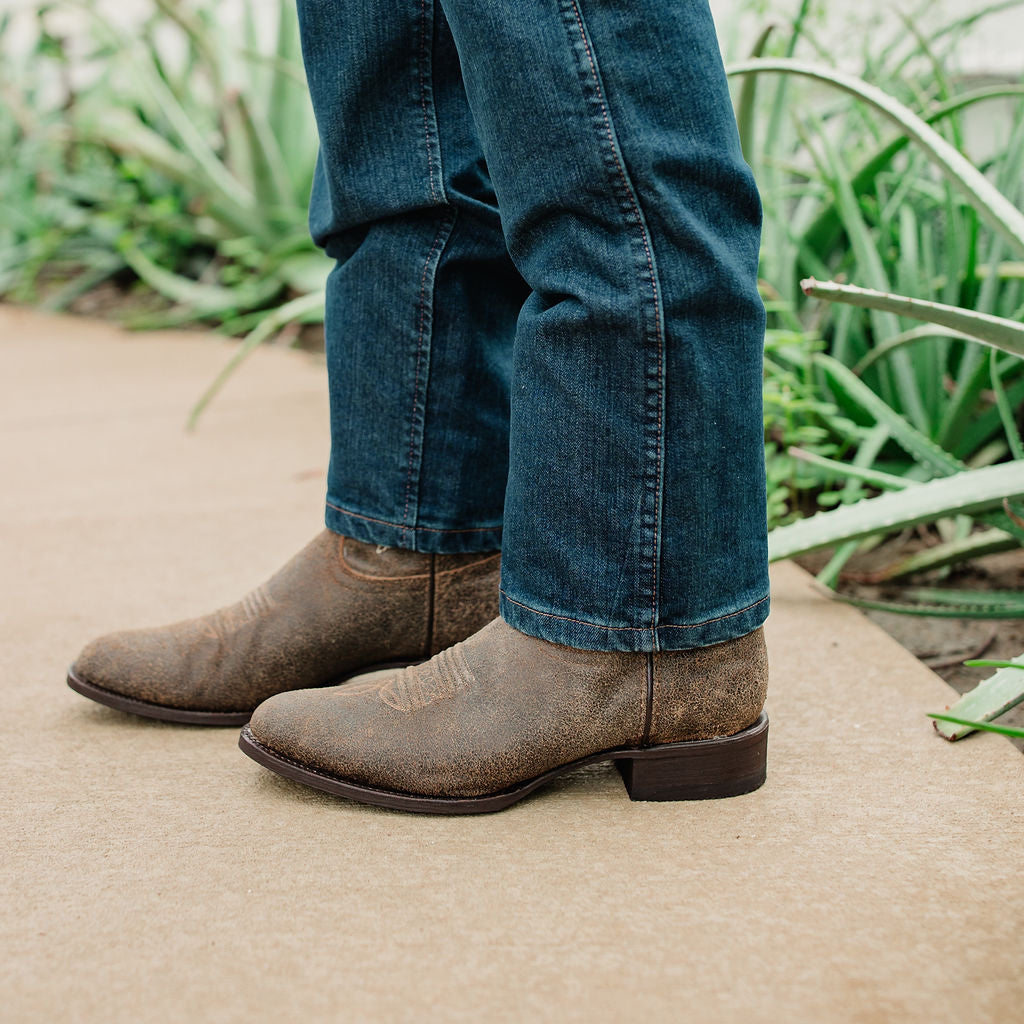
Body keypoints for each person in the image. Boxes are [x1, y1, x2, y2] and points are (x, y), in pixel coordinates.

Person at [67, 0, 770, 813]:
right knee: (402, 117)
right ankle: (417, 544)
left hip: (642, 617)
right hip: (419, 512)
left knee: (592, 93)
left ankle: (643, 624)